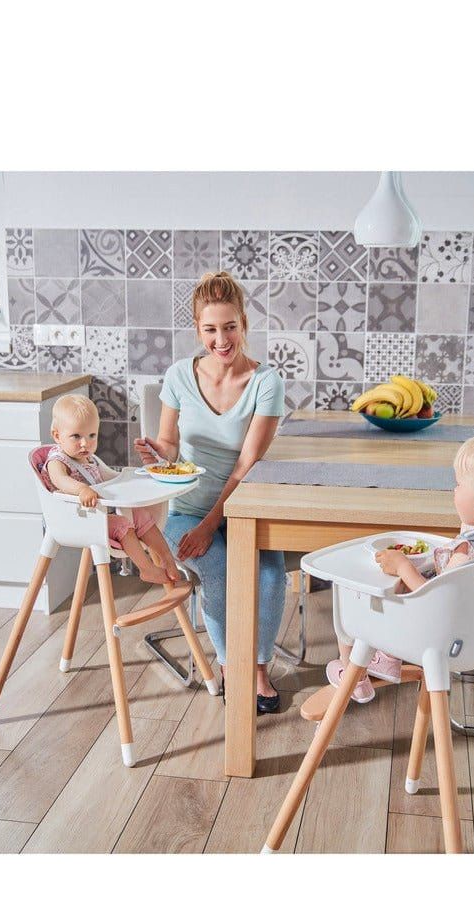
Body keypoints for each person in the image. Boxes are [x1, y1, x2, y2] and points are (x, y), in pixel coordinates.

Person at [134, 271, 287, 713]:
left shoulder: (266, 383)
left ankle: (258, 669)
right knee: (218, 571)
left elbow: (246, 465)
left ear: (244, 323)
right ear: (197, 330)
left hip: (243, 505)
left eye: (230, 327)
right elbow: (169, 445)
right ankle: (230, 665)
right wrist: (154, 453)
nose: (221, 339)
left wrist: (211, 524)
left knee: (272, 576)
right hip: (185, 510)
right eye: (211, 329)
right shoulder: (179, 375)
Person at [328, 432, 474, 704]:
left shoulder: (467, 551)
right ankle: (386, 660)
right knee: (404, 585)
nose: (454, 490)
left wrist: (405, 566)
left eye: (459, 484)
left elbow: (435, 600)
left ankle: (354, 675)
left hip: (439, 637)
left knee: (348, 589)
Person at [45, 393, 179, 587]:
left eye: (92, 435)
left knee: (140, 515)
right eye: (76, 436)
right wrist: (82, 490)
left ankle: (167, 558)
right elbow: (60, 480)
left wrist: (133, 477)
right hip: (76, 519)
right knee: (123, 525)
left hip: (97, 515)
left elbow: (110, 478)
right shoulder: (57, 460)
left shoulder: (88, 458)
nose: (85, 443)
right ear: (57, 435)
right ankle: (146, 568)